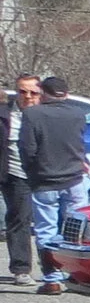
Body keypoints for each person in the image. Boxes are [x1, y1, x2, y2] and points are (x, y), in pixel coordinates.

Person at [19, 74, 90, 295]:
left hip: (45, 180)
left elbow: (27, 148)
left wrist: (31, 173)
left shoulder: (33, 114)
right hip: (75, 178)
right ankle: (76, 274)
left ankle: (52, 278)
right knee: (74, 230)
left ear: (43, 93)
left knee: (46, 231)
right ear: (66, 94)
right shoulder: (78, 114)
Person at [2, 74, 35, 284]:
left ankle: (58, 270)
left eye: (33, 92)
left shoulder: (47, 115)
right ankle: (21, 269)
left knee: (51, 223)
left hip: (48, 175)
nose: (28, 96)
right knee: (19, 220)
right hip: (15, 175)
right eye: (23, 91)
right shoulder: (6, 115)